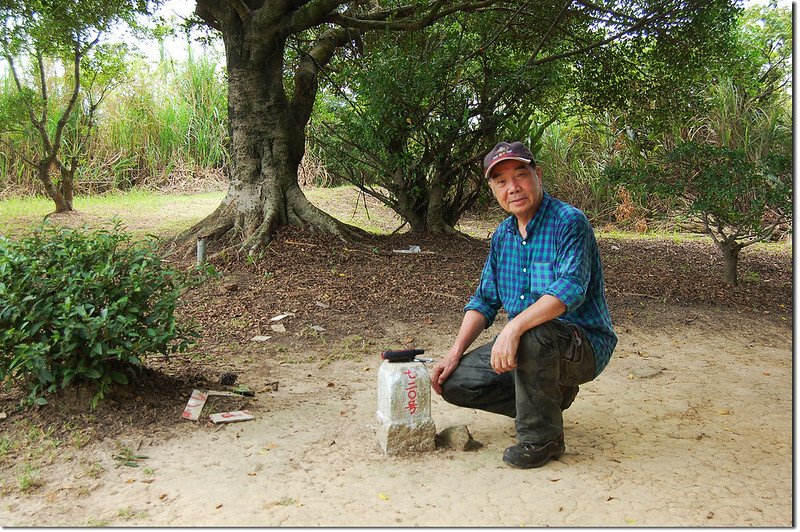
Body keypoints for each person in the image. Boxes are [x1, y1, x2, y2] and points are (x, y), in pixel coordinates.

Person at [430, 141, 617, 469]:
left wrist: (514, 327)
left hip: (582, 345)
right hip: (531, 348)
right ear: (492, 189)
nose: (512, 187)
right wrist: (455, 352)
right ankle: (550, 399)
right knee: (455, 383)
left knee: (534, 331)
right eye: (501, 181)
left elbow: (569, 290)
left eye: (520, 175)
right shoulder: (503, 235)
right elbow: (485, 300)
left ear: (537, 174)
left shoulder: (569, 222)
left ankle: (542, 438)